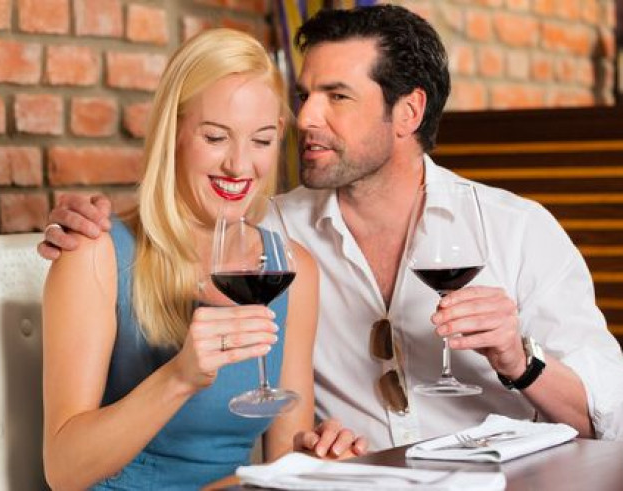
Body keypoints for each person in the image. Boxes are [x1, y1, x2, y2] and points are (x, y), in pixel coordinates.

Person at [40, 5, 623, 451]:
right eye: (303, 95)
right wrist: (89, 222)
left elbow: (609, 417)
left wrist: (520, 362)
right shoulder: (270, 234)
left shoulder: (516, 231)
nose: (304, 119)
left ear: (409, 113)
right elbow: (183, 212)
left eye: (336, 96)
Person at [41, 28, 367, 491]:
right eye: (216, 137)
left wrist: (319, 457)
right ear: (172, 134)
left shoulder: (290, 269)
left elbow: (282, 461)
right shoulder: (95, 253)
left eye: (262, 140)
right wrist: (179, 377)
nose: (239, 165)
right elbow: (64, 470)